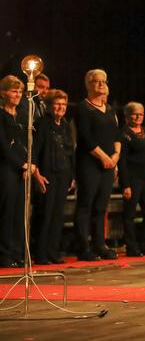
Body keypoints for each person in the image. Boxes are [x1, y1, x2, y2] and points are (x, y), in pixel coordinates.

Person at [74, 69, 120, 261]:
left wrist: (115, 157)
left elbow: (117, 136)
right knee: (86, 205)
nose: (100, 84)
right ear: (88, 85)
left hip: (109, 164)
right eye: (96, 81)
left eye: (103, 81)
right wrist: (103, 157)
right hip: (89, 163)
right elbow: (86, 138)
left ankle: (100, 244)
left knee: (101, 206)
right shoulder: (83, 108)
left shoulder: (110, 109)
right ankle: (83, 247)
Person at [32, 89, 75, 265]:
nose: (60, 107)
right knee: (45, 214)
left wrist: (72, 176)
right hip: (47, 174)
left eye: (63, 104)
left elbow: (71, 152)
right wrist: (37, 174)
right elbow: (35, 150)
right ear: (49, 105)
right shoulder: (42, 124)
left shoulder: (65, 124)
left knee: (58, 215)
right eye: (57, 103)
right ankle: (41, 253)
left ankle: (53, 252)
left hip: (63, 174)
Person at [118, 102, 145, 256]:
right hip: (133, 178)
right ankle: (131, 246)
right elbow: (122, 161)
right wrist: (125, 185)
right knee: (129, 214)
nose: (138, 117)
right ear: (127, 116)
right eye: (135, 114)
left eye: (141, 114)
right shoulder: (123, 133)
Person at [0, 75, 34, 268]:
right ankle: (4, 253)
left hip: (23, 168)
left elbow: (29, 140)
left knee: (20, 212)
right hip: (6, 168)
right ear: (3, 93)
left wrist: (30, 163)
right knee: (7, 210)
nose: (18, 95)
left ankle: (17, 252)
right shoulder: (1, 114)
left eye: (20, 91)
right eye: (14, 91)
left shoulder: (22, 113)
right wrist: (22, 164)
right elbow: (3, 145)